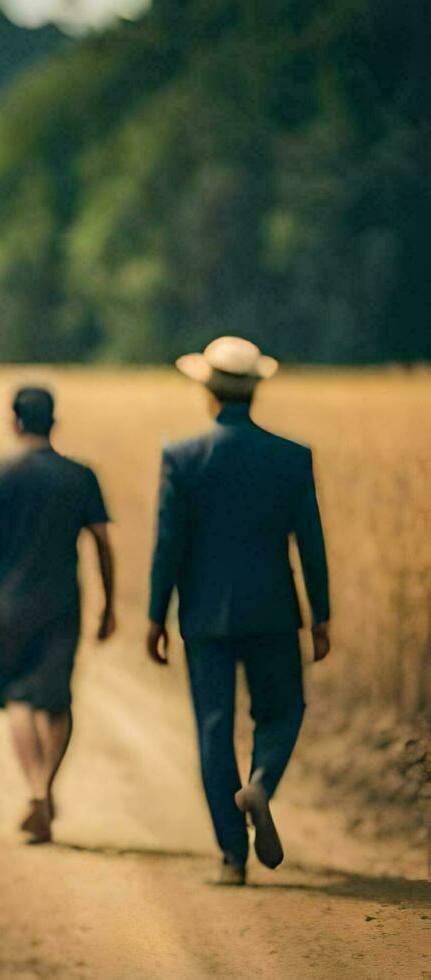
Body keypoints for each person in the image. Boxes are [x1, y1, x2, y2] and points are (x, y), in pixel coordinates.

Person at [146, 336, 331, 886]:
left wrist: (155, 616)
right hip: (275, 610)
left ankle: (231, 856)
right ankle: (261, 784)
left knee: (213, 727)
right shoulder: (292, 457)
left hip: (204, 614)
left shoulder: (182, 457)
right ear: (255, 391)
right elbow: (312, 544)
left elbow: (168, 545)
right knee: (283, 710)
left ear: (208, 391)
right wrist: (321, 615)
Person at [0, 386, 115, 844]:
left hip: (6, 604)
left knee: (18, 699)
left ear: (15, 421)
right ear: (54, 421)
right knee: (58, 701)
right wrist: (109, 603)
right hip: (62, 602)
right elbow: (103, 544)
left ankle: (33, 789)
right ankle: (46, 788)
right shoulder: (80, 476)